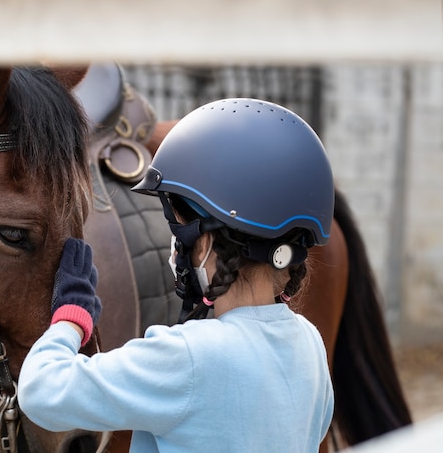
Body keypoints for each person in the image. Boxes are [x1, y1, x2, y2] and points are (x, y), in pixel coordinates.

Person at [18, 98, 335, 452]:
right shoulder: (310, 343)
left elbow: (40, 392)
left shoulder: (187, 357)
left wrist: (71, 318)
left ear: (206, 243)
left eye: (178, 229)